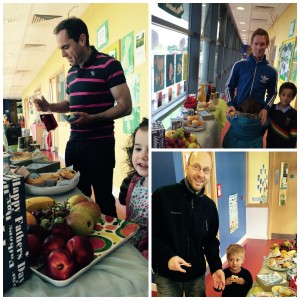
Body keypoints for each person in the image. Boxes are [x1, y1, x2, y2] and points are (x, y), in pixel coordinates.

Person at [34, 17, 132, 218]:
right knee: (76, 198)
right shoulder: (70, 73)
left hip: (100, 146)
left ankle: (112, 247)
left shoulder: (109, 65)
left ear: (82, 39)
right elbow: (70, 103)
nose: (63, 54)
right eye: (60, 49)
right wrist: (50, 106)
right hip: (75, 144)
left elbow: (125, 106)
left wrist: (93, 118)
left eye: (66, 47)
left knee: (104, 201)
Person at [152, 152, 225, 297]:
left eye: (206, 170)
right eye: (196, 167)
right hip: (167, 275)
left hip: (196, 276)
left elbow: (210, 241)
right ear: (187, 168)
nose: (200, 174)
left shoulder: (209, 206)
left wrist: (216, 267)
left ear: (209, 174)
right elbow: (153, 235)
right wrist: (168, 257)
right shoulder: (162, 196)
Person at [225, 28, 278, 126]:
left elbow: (273, 93)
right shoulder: (239, 65)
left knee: (254, 140)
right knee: (235, 139)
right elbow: (229, 86)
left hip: (257, 115)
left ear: (266, 45)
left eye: (262, 44)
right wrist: (230, 104)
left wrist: (266, 108)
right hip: (238, 111)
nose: (259, 47)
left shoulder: (271, 71)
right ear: (251, 44)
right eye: (256, 43)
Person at [119, 118, 148, 259]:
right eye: (138, 148)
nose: (143, 156)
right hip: (128, 244)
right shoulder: (133, 182)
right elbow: (128, 212)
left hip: (144, 255)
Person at [266, 82, 297, 148]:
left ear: (293, 97)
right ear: (279, 94)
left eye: (289, 96)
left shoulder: (294, 114)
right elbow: (265, 125)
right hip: (269, 144)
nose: (286, 98)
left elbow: (293, 136)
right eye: (283, 94)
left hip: (284, 146)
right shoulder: (271, 108)